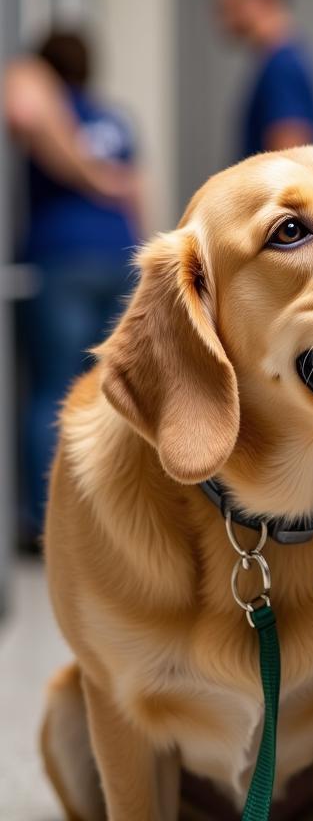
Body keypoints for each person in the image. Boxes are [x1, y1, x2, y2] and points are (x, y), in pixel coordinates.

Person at [4, 30, 141, 550]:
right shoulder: (116, 119)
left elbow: (21, 112)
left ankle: (46, 523)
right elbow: (135, 190)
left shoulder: (41, 102)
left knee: (51, 390)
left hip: (59, 262)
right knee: (105, 392)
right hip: (116, 256)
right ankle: (98, 518)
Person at [216, 0, 313, 159]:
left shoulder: (282, 67)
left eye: (233, 6)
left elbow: (290, 160)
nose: (224, 17)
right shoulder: (280, 62)